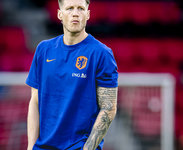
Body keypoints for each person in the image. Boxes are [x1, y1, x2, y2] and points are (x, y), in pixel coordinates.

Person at [26, 0, 118, 149]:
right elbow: (34, 102)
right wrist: (31, 147)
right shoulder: (43, 49)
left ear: (87, 15)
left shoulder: (102, 53)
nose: (75, 13)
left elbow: (109, 107)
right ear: (59, 14)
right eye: (69, 8)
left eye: (80, 8)